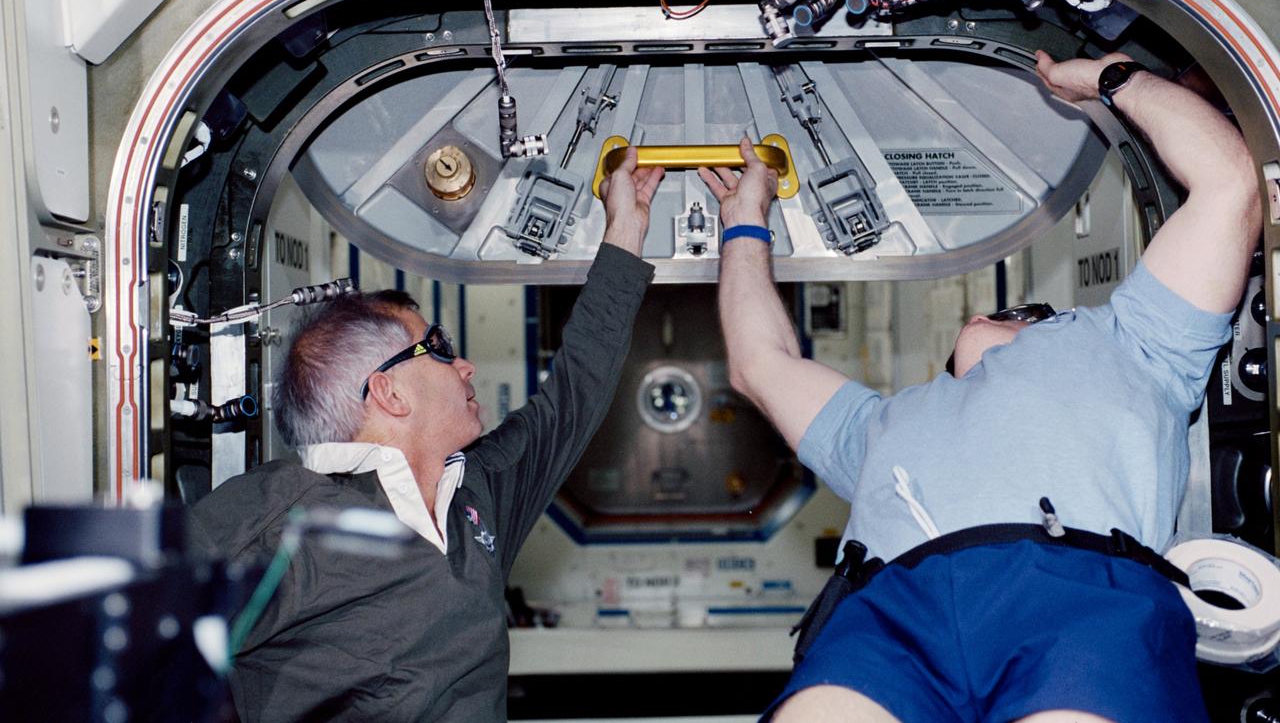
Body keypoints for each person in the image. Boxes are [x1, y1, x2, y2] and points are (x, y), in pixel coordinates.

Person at [700, 51, 1260, 723]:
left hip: (1078, 590)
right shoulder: (880, 427)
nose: (984, 319)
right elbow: (758, 363)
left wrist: (1112, 81)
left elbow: (1229, 185)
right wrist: (744, 216)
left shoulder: (1137, 340)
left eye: (1021, 313)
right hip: (899, 606)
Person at [192, 150, 663, 723]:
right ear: (388, 392)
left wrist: (626, 231)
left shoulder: (475, 494)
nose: (464, 366)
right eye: (438, 349)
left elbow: (575, 393)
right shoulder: (278, 517)